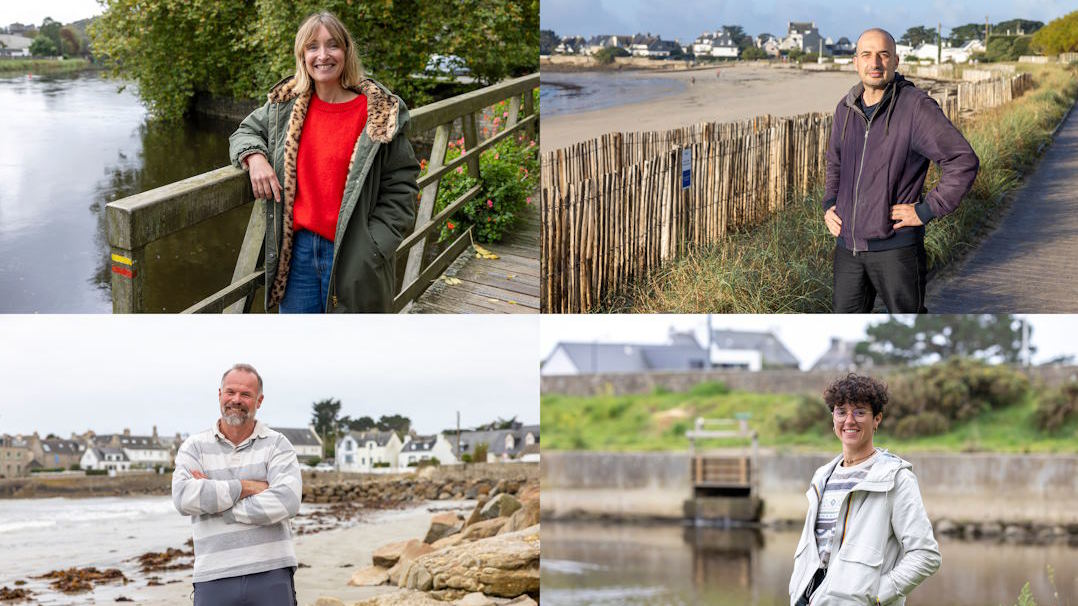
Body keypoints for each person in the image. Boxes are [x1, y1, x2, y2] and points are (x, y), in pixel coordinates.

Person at [229, 11, 420, 313]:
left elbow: (403, 187)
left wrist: (372, 248)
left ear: (346, 52)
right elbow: (245, 131)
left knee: (352, 353)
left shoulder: (377, 112)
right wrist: (254, 157)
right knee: (299, 352)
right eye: (312, 47)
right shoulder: (286, 106)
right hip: (297, 257)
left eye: (332, 45)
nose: (323, 55)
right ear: (302, 55)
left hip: (354, 252)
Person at [822, 28, 979, 313]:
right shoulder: (845, 109)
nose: (875, 62)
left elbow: (962, 160)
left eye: (884, 54)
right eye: (867, 55)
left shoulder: (915, 107)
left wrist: (926, 209)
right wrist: (830, 204)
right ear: (856, 61)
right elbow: (835, 162)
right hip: (848, 248)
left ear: (896, 61)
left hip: (896, 249)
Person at [788, 374, 940, 606]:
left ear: (877, 419)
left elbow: (925, 555)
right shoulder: (822, 476)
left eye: (859, 412)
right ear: (833, 419)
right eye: (841, 412)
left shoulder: (896, 478)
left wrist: (876, 598)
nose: (849, 420)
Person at [172, 364, 303, 606]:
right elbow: (183, 498)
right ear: (219, 394)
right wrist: (247, 487)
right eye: (230, 392)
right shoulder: (194, 446)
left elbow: (287, 501)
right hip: (213, 576)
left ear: (259, 400)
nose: (236, 400)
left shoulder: (278, 444)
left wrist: (216, 502)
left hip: (272, 572)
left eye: (245, 394)